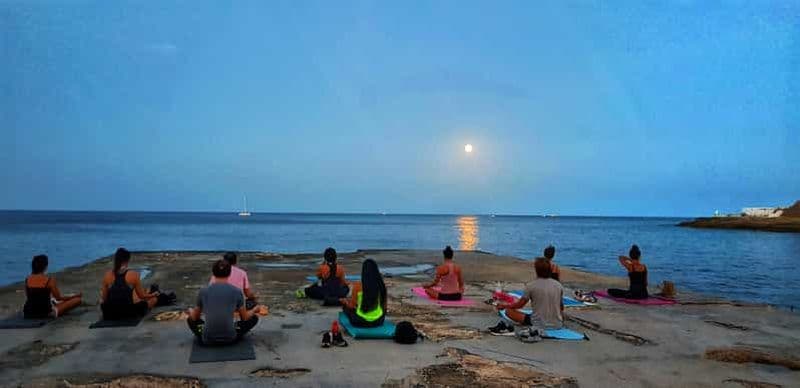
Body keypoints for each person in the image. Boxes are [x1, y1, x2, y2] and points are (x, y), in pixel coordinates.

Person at [188, 260, 259, 345]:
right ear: (229, 273)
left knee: (190, 319)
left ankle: (209, 332)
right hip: (230, 337)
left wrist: (190, 311)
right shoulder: (236, 291)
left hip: (207, 338)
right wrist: (254, 309)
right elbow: (245, 317)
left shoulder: (203, 291)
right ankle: (230, 329)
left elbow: (195, 317)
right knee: (254, 318)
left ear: (213, 273)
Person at [489, 258, 564, 336]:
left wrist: (504, 306)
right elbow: (561, 307)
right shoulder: (558, 285)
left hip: (538, 323)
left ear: (536, 270)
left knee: (509, 311)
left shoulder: (531, 285)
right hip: (557, 324)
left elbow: (520, 305)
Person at [100, 248, 160, 320]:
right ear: (126, 261)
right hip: (129, 312)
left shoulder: (107, 275)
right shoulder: (133, 274)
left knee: (103, 301)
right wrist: (153, 295)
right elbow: (142, 296)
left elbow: (104, 298)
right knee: (153, 300)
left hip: (111, 313)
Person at [23, 255, 82, 319]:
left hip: (28, 313)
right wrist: (74, 296)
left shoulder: (27, 280)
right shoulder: (49, 280)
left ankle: (52, 303)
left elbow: (30, 297)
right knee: (77, 300)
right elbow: (58, 298)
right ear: (45, 267)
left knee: (53, 301)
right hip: (46, 313)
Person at [340, 259, 386, 328]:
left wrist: (346, 302)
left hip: (360, 321)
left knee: (346, 308)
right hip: (378, 321)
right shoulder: (381, 286)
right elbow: (384, 306)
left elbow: (352, 306)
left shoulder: (358, 286)